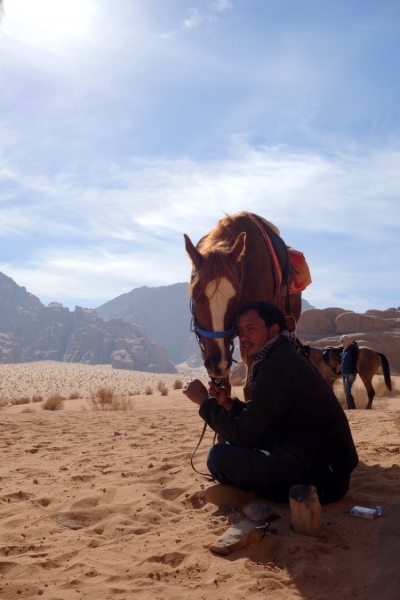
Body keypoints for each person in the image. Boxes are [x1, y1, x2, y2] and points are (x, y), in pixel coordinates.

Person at [183, 301, 358, 506]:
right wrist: (229, 404)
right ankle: (254, 490)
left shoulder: (278, 364)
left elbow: (245, 434)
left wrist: (205, 403)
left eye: (251, 329)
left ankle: (254, 494)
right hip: (315, 459)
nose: (244, 338)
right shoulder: (281, 355)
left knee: (218, 457)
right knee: (231, 445)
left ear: (273, 330)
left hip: (322, 482)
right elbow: (260, 416)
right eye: (240, 331)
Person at [340, 335, 359, 410]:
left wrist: (352, 373)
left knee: (347, 391)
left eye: (343, 341)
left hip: (349, 373)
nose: (342, 343)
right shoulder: (345, 349)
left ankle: (353, 409)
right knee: (346, 391)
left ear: (347, 341)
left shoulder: (353, 348)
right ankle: (349, 408)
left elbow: (354, 361)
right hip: (344, 373)